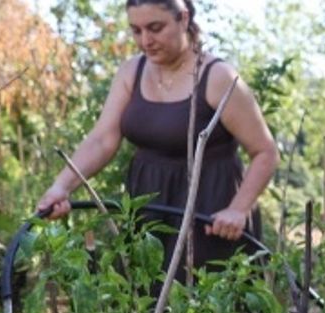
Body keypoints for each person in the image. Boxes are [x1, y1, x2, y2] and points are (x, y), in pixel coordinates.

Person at [36, 0, 278, 284]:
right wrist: (61, 186)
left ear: (183, 18)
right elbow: (103, 139)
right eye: (136, 31)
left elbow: (265, 151)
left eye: (155, 28)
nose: (145, 41)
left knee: (213, 308)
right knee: (143, 303)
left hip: (211, 214)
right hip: (149, 208)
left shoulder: (218, 77)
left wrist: (238, 209)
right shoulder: (131, 73)